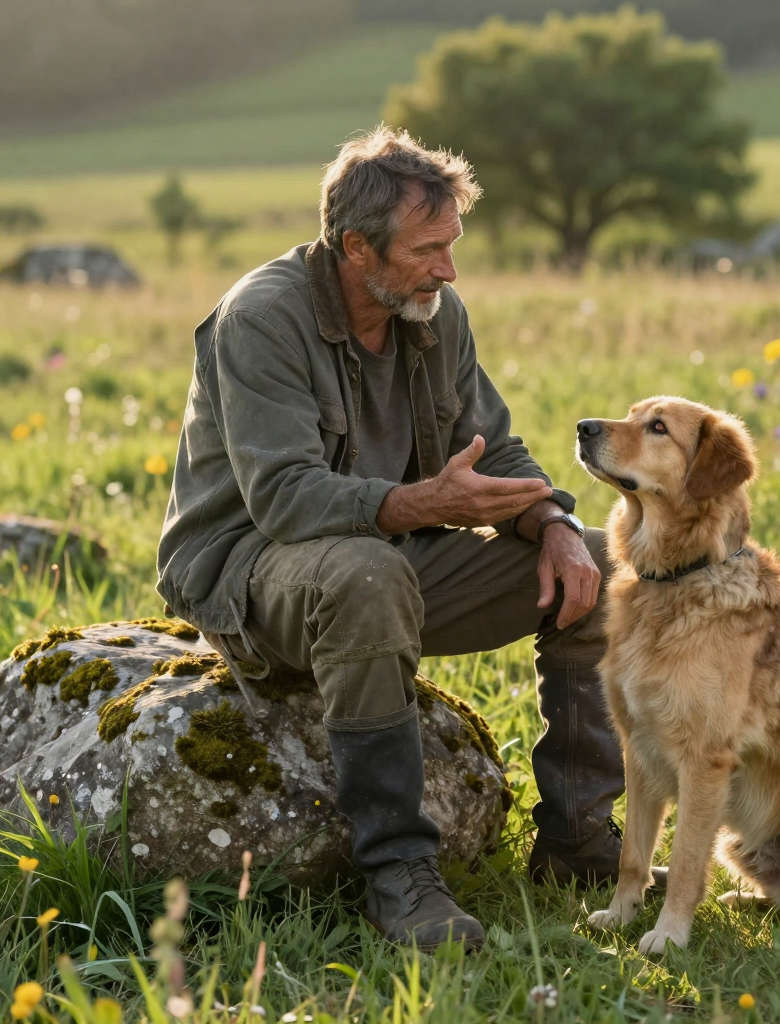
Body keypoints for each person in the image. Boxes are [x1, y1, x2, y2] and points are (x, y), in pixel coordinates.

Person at [156, 127, 627, 951]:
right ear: (355, 246)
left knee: (604, 562)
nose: (449, 270)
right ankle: (399, 875)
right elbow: (284, 498)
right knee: (367, 577)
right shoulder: (260, 318)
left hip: (383, 560)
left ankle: (578, 843)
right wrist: (423, 503)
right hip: (251, 575)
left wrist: (552, 521)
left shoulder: (433, 313)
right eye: (426, 250)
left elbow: (494, 449)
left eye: (452, 245)